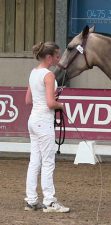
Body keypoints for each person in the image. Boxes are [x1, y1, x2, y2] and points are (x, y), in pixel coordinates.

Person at [24, 42, 70, 212]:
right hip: (43, 121)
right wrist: (60, 105)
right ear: (49, 57)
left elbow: (28, 100)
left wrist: (50, 99)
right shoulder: (49, 75)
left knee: (34, 161)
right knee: (48, 162)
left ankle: (31, 200)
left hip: (33, 120)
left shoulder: (33, 73)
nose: (59, 59)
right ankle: (50, 201)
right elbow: (50, 103)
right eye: (57, 56)